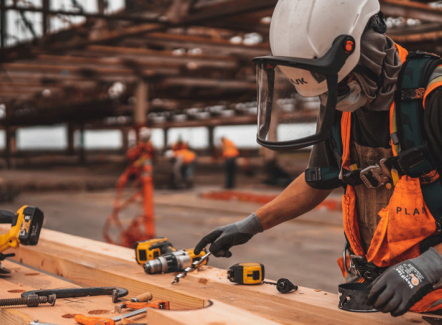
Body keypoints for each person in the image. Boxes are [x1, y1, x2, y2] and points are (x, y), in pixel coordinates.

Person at [194, 0, 442, 317]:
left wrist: (428, 266)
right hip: (375, 291)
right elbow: (319, 180)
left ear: (367, 49)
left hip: (434, 299)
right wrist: (251, 224)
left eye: (337, 86)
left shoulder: (432, 97)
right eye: (325, 91)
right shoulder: (342, 102)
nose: (331, 99)